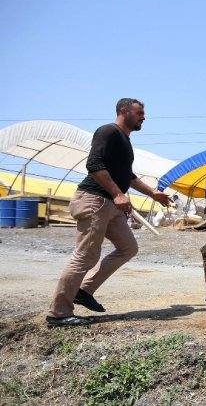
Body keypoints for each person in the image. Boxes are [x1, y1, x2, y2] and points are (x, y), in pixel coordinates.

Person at [46, 98, 171, 327]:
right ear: (124, 111)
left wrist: (153, 194)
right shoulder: (108, 132)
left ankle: (84, 291)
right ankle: (58, 314)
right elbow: (94, 165)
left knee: (128, 248)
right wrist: (117, 194)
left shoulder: (124, 140)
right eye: (140, 112)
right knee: (85, 256)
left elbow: (128, 176)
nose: (144, 117)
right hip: (95, 200)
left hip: (111, 204)